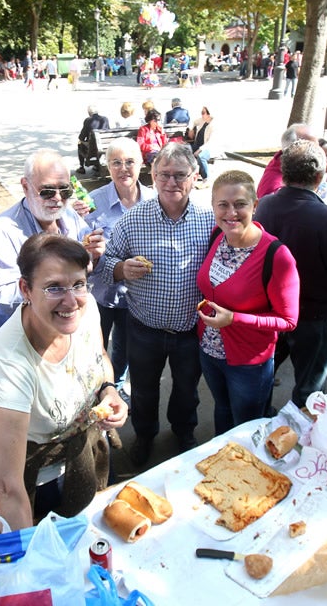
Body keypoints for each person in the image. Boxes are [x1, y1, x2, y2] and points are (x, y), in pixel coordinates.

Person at [0, 233, 128, 529]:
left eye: (78, 284)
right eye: (54, 288)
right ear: (25, 288)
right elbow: (6, 485)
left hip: (91, 451)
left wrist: (109, 390)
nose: (70, 301)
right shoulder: (11, 357)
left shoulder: (84, 309)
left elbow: (99, 357)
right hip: (47, 478)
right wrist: (27, 553)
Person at [100, 142, 214, 466]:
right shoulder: (134, 220)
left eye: (180, 175)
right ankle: (145, 436)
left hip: (190, 328)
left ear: (193, 178)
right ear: (152, 176)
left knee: (186, 390)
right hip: (144, 327)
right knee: (144, 390)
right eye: (164, 174)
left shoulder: (208, 219)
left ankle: (183, 432)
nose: (171, 182)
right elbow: (105, 263)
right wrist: (121, 268)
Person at [255, 140, 327, 406]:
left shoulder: (266, 205)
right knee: (310, 390)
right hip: (312, 316)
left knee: (262, 378)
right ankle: (305, 435)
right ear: (319, 176)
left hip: (271, 311)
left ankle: (258, 425)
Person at [197, 170, 299, 435]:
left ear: (255, 205)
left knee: (246, 426)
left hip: (248, 362)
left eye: (240, 204)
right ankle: (221, 464)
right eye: (223, 204)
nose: (231, 212)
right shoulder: (216, 237)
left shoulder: (276, 255)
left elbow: (288, 321)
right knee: (222, 409)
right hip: (210, 351)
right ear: (213, 207)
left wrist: (234, 319)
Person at [0, 150, 101, 331]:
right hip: (26, 337)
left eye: (65, 190)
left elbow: (89, 268)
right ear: (25, 186)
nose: (58, 198)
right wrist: (50, 289)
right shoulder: (3, 229)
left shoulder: (70, 216)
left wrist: (95, 256)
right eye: (47, 191)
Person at [86, 138, 156, 390]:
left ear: (141, 164)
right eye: (116, 162)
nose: (124, 168)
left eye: (129, 161)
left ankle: (115, 387)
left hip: (136, 296)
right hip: (100, 293)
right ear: (107, 166)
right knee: (95, 347)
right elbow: (77, 245)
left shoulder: (154, 199)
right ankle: (95, 389)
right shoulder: (92, 201)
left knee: (124, 348)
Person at [256, 123, 316, 199]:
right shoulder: (276, 190)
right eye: (314, 148)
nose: (320, 152)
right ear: (295, 150)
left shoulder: (289, 168)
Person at [76, 105, 110, 175]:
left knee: (79, 143)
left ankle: (81, 167)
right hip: (105, 148)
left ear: (89, 112)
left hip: (92, 149)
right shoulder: (105, 119)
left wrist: (83, 142)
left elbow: (81, 137)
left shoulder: (88, 120)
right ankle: (97, 165)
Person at [187, 106, 216, 184]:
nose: (202, 115)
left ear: (209, 114)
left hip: (208, 148)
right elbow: (193, 122)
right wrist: (191, 129)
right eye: (201, 113)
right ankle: (188, 174)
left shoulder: (213, 126)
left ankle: (205, 178)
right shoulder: (202, 120)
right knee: (185, 149)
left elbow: (210, 143)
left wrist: (199, 150)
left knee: (201, 156)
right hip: (197, 145)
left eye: (203, 113)